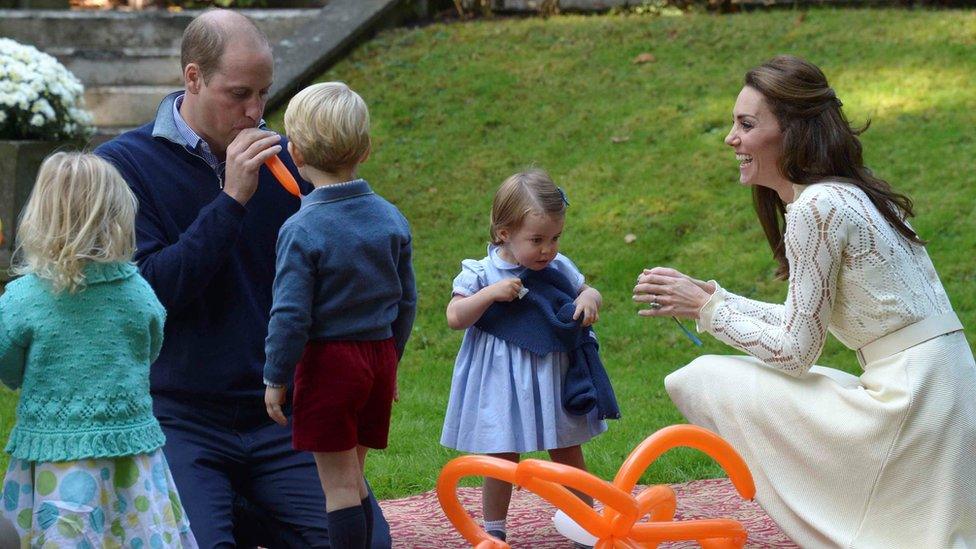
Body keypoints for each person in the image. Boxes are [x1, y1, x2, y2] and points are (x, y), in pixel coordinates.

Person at [633, 55, 976, 548]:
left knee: (702, 377)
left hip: (913, 406)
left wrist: (709, 312)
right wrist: (714, 299)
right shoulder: (849, 194)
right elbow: (805, 322)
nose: (732, 138)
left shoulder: (816, 207)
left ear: (791, 132)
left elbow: (796, 352)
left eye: (746, 125)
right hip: (945, 394)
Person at [95, 10, 391, 548]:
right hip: (179, 413)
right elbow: (146, 297)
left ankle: (247, 506)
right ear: (193, 78)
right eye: (239, 94)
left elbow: (351, 274)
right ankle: (225, 506)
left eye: (265, 93)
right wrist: (230, 201)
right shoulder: (122, 167)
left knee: (366, 542)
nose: (256, 112)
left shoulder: (291, 165)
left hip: (278, 410)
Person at [0, 152, 197, 547]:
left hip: (56, 458)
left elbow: (7, 366)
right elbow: (150, 346)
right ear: (119, 216)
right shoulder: (138, 292)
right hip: (131, 459)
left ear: (41, 216)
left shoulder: (23, 298)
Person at [263, 82, 416, 549]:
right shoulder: (391, 217)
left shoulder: (301, 228)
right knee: (355, 476)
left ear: (296, 152)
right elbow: (407, 301)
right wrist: (391, 360)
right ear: (366, 149)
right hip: (377, 358)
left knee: (340, 489)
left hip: (329, 365)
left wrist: (276, 376)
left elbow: (291, 314)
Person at [441, 169, 617, 544]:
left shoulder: (558, 267)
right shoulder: (481, 272)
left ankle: (587, 523)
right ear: (504, 233)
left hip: (552, 375)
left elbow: (589, 289)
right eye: (536, 240)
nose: (547, 249)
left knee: (566, 447)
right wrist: (490, 294)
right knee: (501, 454)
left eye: (555, 238)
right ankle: (494, 531)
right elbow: (455, 317)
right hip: (500, 380)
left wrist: (589, 297)